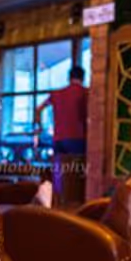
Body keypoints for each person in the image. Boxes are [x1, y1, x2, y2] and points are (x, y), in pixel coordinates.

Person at [36, 66, 88, 204]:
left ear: (69, 78)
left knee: (60, 175)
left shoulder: (57, 93)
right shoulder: (85, 92)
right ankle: (75, 207)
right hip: (78, 138)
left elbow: (39, 108)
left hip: (58, 139)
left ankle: (59, 204)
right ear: (83, 78)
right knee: (77, 176)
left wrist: (40, 128)